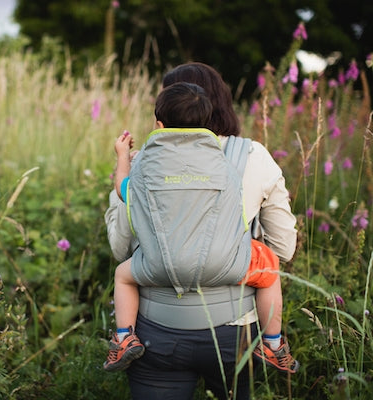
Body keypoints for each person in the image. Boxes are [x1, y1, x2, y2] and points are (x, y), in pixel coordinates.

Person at [104, 62, 298, 399]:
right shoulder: (253, 156)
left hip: (157, 332)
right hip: (234, 332)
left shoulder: (144, 163)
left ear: (161, 119)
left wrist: (125, 164)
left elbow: (121, 247)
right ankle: (272, 343)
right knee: (269, 265)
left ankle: (123, 337)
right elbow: (284, 247)